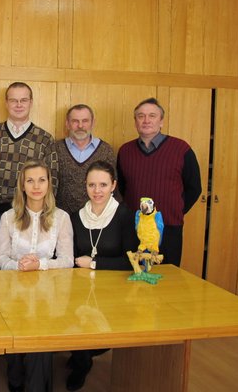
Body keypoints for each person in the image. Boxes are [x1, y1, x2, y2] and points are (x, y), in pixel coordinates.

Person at [0, 160, 74, 392]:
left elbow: (68, 260)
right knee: (16, 350)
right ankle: (16, 378)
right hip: (13, 294)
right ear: (22, 185)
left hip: (47, 295)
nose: (36, 186)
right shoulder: (8, 217)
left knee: (39, 348)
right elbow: (0, 258)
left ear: (49, 184)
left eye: (42, 180)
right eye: (30, 181)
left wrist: (39, 264)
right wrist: (18, 265)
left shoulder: (61, 218)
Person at [67, 160, 139, 390]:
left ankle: (83, 358)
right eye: (92, 185)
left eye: (103, 185)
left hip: (114, 290)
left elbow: (132, 262)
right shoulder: (76, 217)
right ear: (85, 186)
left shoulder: (124, 215)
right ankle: (81, 358)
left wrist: (94, 263)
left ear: (113, 185)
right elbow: (71, 257)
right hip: (80, 288)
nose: (97, 191)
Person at [117, 98, 201, 266]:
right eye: (141, 116)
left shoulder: (181, 149)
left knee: (167, 275)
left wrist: (175, 210)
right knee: (134, 273)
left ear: (161, 121)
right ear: (135, 122)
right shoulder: (125, 151)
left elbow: (194, 188)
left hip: (169, 228)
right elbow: (122, 187)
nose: (146, 120)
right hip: (135, 228)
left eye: (152, 116)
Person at [0, 82, 59, 224]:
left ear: (31, 103)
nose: (18, 105)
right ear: (6, 103)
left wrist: (44, 213)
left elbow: (52, 180)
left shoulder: (44, 139)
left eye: (23, 100)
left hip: (31, 214)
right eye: (13, 100)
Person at [55, 104, 117, 214]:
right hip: (62, 217)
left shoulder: (106, 150)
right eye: (75, 121)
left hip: (96, 218)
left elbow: (113, 188)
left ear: (92, 123)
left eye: (85, 121)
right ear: (67, 124)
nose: (80, 126)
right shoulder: (55, 149)